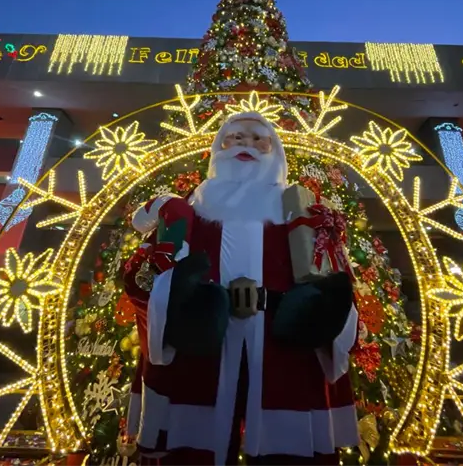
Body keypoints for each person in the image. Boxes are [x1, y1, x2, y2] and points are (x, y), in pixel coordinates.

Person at [122, 111, 359, 466]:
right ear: (219, 146)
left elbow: (337, 286)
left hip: (284, 351)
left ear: (274, 150)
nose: (246, 144)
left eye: (257, 137)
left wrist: (312, 309)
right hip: (201, 353)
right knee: (194, 448)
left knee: (287, 448)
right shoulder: (187, 211)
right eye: (235, 136)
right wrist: (180, 297)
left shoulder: (305, 215)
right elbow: (141, 283)